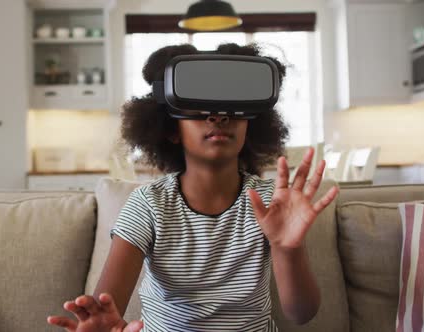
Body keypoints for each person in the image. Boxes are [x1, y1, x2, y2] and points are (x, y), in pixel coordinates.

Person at [47, 43, 339, 332]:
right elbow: (106, 306)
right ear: (171, 129)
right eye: (198, 107)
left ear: (252, 124)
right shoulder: (149, 204)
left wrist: (288, 247)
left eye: (233, 106)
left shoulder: (269, 203)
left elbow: (302, 313)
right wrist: (101, 324)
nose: (219, 116)